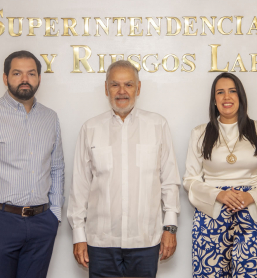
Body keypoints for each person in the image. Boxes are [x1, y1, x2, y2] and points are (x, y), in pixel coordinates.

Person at [67, 60, 181, 278]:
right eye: (114, 85)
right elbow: (79, 186)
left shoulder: (158, 125)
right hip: (100, 242)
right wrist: (78, 235)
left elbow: (169, 181)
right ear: (106, 88)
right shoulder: (90, 128)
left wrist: (170, 228)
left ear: (138, 88)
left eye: (128, 85)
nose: (121, 91)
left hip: (146, 240)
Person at [0, 50, 65, 277]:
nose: (25, 79)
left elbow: (57, 169)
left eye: (31, 73)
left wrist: (54, 214)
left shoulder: (50, 118)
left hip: (42, 223)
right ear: (5, 78)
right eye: (17, 73)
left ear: (39, 78)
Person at [183, 72, 257, 278]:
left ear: (241, 96)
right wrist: (219, 195)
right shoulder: (200, 133)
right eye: (220, 92)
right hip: (212, 214)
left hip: (252, 212)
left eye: (232, 91)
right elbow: (190, 180)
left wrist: (250, 196)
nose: (226, 97)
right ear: (214, 100)